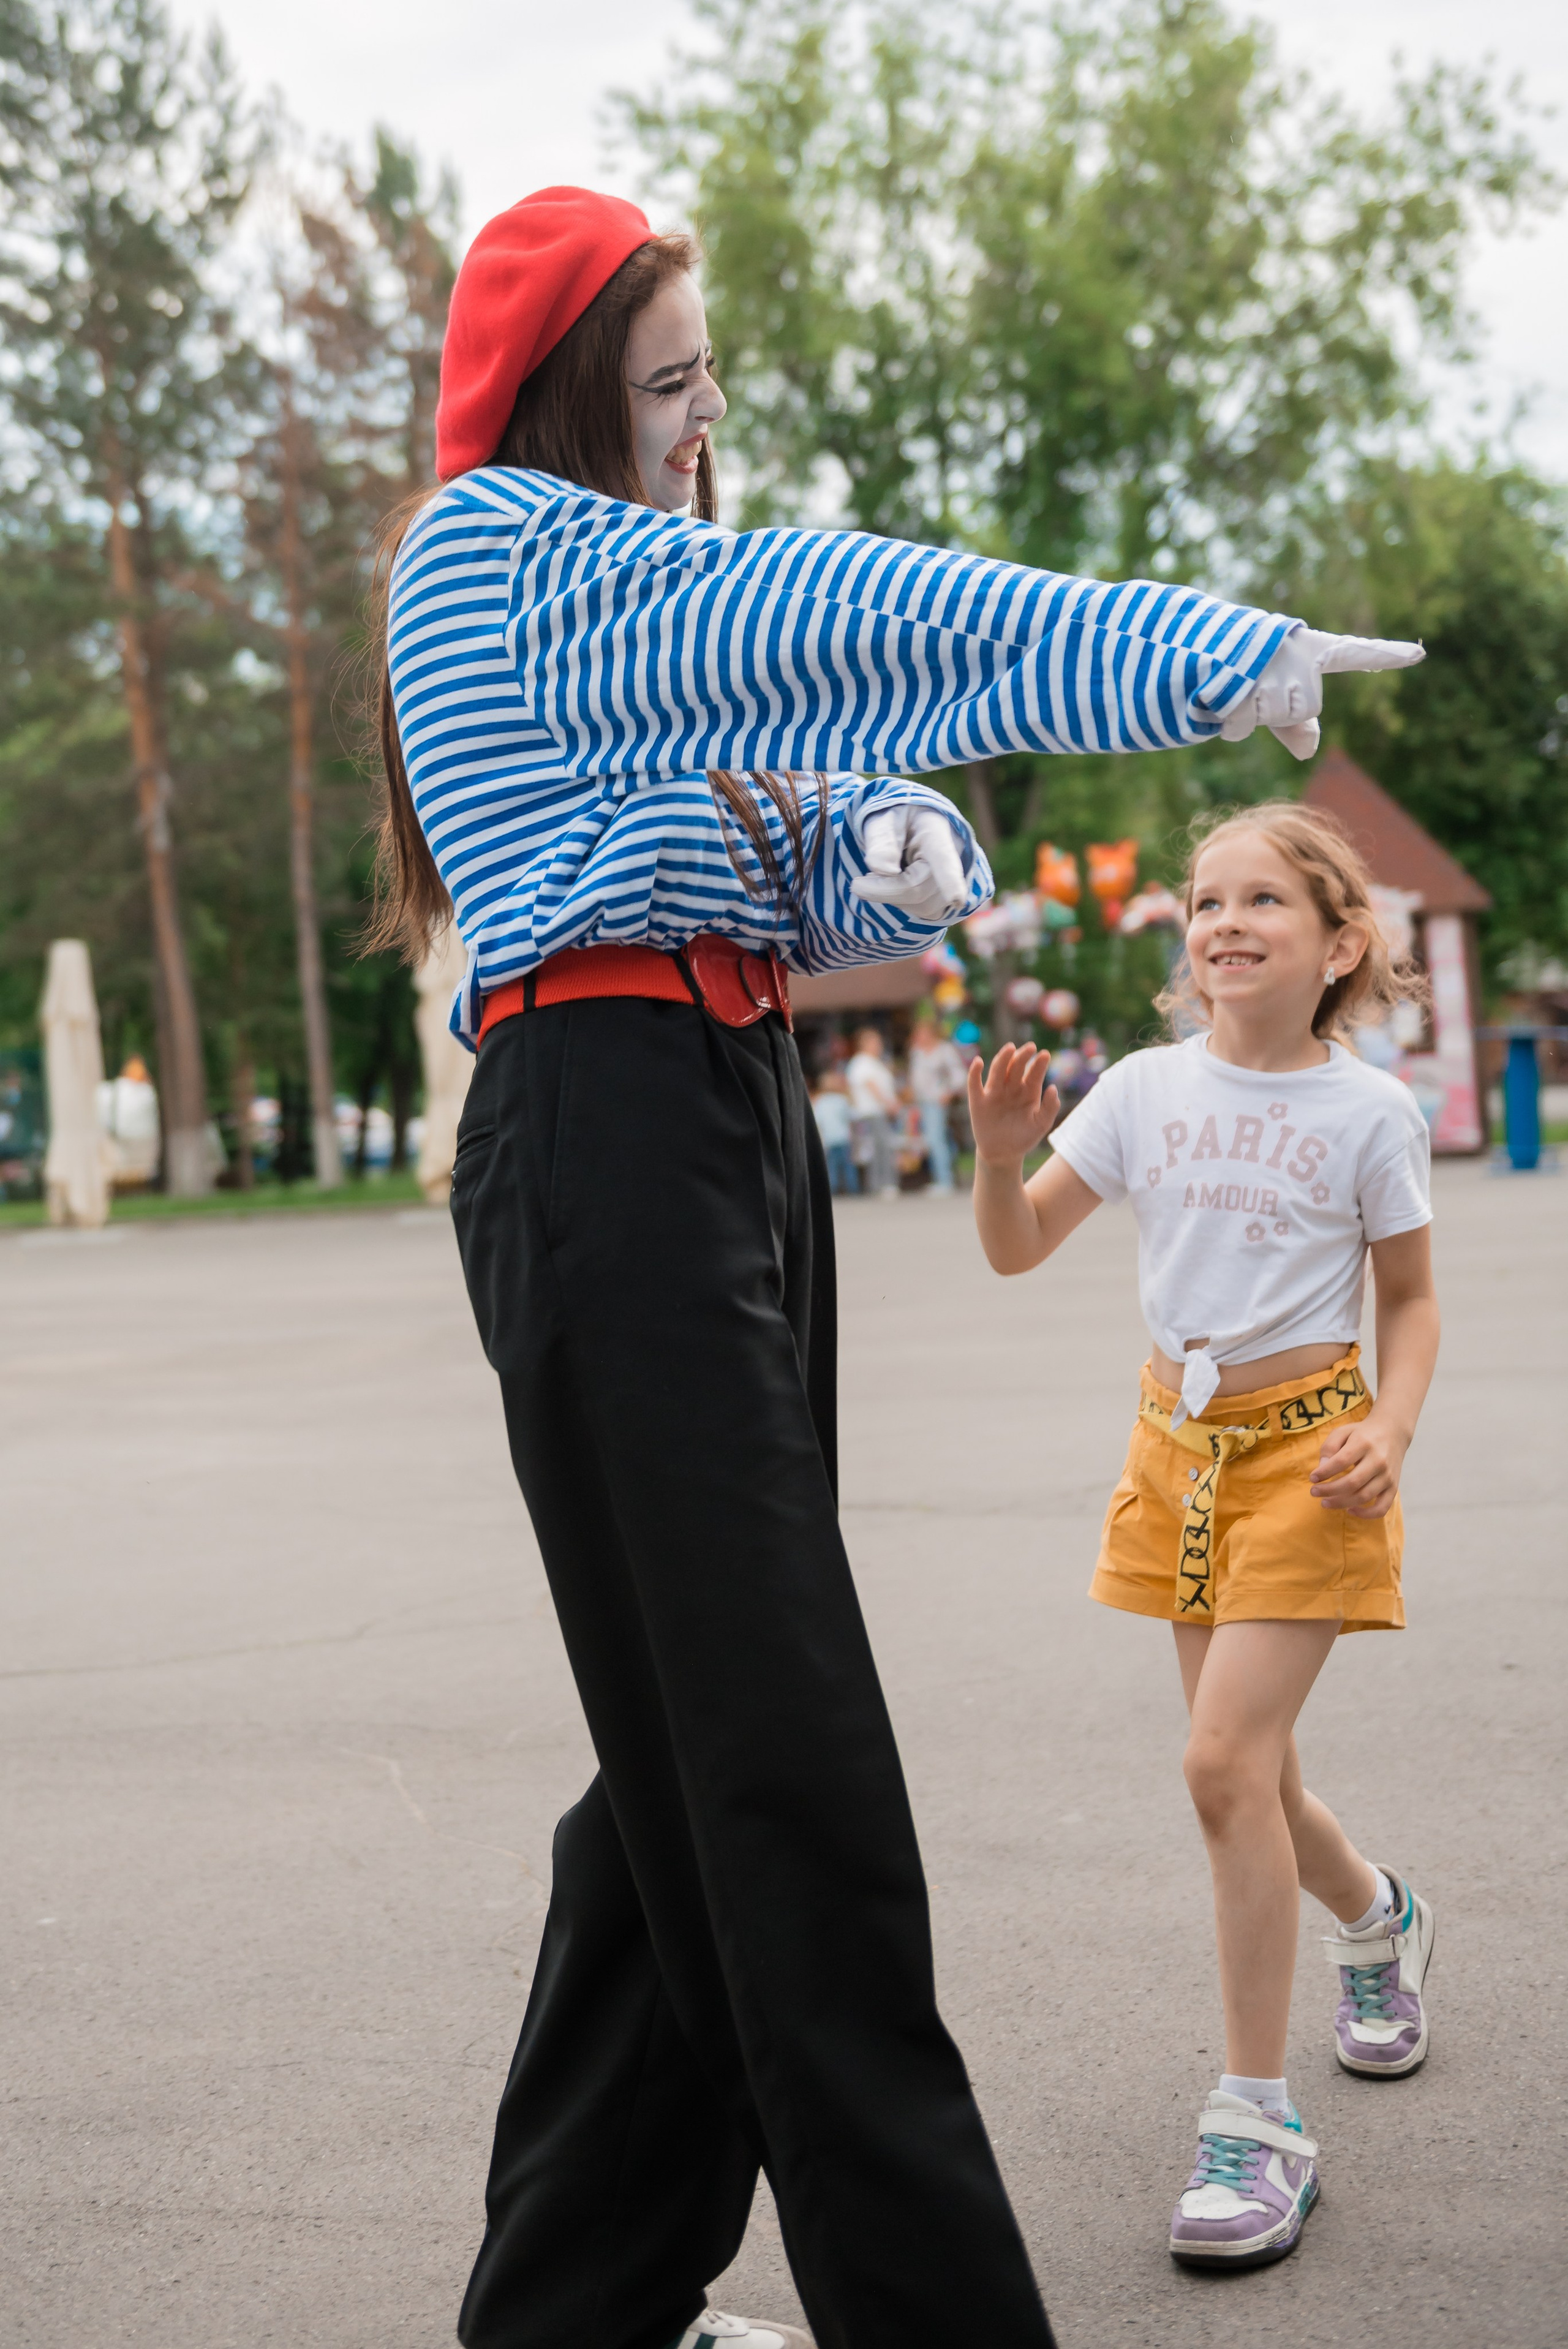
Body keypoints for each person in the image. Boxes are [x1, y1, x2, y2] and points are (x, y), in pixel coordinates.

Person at [368, 176, 1424, 2349]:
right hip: (611, 1137)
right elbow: (848, 613)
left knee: (681, 1763)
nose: (700, 412)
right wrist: (1194, 651)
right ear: (575, 388)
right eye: (666, 376)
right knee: (785, 1777)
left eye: (706, 373)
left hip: (712, 1129)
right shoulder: (507, 549)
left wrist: (864, 845)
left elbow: (760, 827)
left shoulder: (609, 612)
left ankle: (573, 2305)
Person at [968, 802, 1441, 2275]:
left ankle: (1257, 2121)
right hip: (1175, 1454)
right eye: (1202, 899)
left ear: (1336, 940)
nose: (1222, 920)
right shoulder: (1141, 1090)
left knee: (1218, 1764)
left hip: (1313, 1458)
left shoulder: (1368, 1112)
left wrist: (1392, 1423)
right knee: (1255, 1777)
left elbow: (1410, 1301)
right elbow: (1014, 1243)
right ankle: (1376, 1915)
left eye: (1260, 900)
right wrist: (995, 1154)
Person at [906, 1017, 967, 1193]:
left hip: (936, 1101)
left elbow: (959, 1074)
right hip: (922, 1101)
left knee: (936, 1140)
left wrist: (950, 1093)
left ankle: (944, 1180)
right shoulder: (917, 1052)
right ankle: (943, 1176)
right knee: (935, 1140)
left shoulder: (944, 1050)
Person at [845, 1027, 901, 1197]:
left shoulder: (875, 1062)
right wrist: (888, 1103)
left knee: (882, 1147)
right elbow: (871, 1085)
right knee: (879, 1148)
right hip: (871, 1111)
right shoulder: (862, 1062)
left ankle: (884, 1183)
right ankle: (882, 1184)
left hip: (879, 1111)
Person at [810, 1066, 855, 1194]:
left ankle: (831, 1190)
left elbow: (818, 1122)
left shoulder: (820, 1102)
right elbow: (850, 1117)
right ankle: (852, 1189)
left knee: (832, 1167)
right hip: (844, 1137)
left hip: (829, 1139)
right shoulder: (842, 1100)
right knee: (848, 1166)